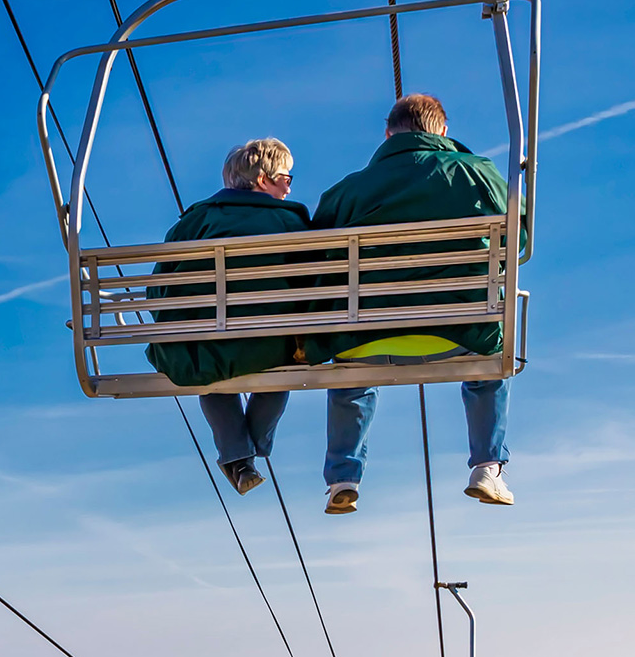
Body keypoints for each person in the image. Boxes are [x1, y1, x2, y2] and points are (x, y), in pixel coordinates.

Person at [307, 95, 516, 514]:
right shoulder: (481, 175)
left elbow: (317, 261)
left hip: (365, 336)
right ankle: (487, 466)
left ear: (388, 134)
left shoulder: (346, 191)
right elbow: (518, 243)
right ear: (442, 131)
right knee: (489, 365)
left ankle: (343, 478)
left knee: (351, 375)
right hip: (460, 332)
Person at [145, 138, 313, 495]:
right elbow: (313, 281)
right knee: (285, 366)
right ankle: (250, 449)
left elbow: (159, 284)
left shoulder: (195, 221)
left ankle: (238, 456)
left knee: (209, 370)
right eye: (286, 177)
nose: (289, 186)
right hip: (273, 345)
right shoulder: (291, 221)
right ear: (264, 180)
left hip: (205, 345)